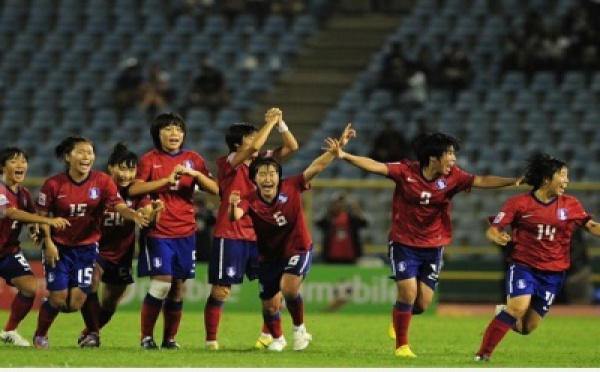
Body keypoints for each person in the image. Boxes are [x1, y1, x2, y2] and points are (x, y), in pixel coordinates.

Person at [332, 132, 522, 358]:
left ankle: (399, 316)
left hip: (433, 246)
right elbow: (375, 166)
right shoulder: (405, 172)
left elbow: (480, 180)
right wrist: (344, 155)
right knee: (408, 292)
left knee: (422, 304)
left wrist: (512, 181)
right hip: (403, 242)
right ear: (433, 157)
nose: (453, 159)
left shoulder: (454, 177)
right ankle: (402, 346)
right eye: (449, 154)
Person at [228, 124, 355, 352]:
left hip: (298, 248)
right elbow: (235, 216)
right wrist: (232, 206)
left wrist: (336, 150)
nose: (268, 178)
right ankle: (278, 338)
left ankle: (299, 330)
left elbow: (316, 167)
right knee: (269, 305)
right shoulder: (249, 199)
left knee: (288, 288)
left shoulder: (293, 186)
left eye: (272, 173)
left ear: (279, 176)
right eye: (262, 174)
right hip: (269, 256)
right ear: (254, 179)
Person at [474, 153, 600, 362]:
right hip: (524, 266)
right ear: (546, 179)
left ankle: (502, 314)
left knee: (526, 328)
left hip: (554, 272)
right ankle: (483, 355)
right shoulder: (518, 204)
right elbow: (493, 229)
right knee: (518, 308)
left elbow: (591, 226)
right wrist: (498, 237)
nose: (567, 181)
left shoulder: (571, 204)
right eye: (562, 175)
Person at [32, 136, 149, 349]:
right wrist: (47, 241)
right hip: (59, 247)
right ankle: (40, 335)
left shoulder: (102, 181)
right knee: (59, 301)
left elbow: (119, 205)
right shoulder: (53, 184)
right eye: (81, 152)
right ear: (68, 157)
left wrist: (133, 215)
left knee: (75, 303)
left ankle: (91, 332)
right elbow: (42, 215)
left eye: (90, 153)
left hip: (86, 248)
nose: (87, 157)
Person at [204, 107, 299, 351]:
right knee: (221, 290)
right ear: (238, 144)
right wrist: (268, 123)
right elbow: (253, 148)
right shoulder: (229, 163)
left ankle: (269, 335)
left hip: (260, 234)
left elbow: (291, 147)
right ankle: (211, 340)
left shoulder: (260, 164)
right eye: (251, 136)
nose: (256, 140)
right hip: (231, 233)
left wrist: (280, 124)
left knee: (272, 291)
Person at [128, 112, 218, 349]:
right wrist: (165, 181)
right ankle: (146, 337)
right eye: (168, 129)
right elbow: (134, 189)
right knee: (162, 282)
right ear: (158, 134)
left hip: (186, 232)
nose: (174, 133)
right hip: (158, 230)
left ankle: (169, 339)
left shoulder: (193, 158)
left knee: (178, 287)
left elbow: (216, 189)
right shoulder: (149, 159)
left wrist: (196, 175)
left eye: (178, 129)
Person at [76, 143, 165, 346]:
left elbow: (148, 217)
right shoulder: (98, 188)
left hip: (122, 254)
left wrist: (156, 210)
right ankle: (93, 335)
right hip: (96, 248)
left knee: (109, 303)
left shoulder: (138, 193)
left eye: (131, 169)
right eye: (122, 168)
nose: (127, 174)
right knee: (91, 282)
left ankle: (89, 331)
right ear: (110, 168)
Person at [0, 148, 70, 347]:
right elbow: (11, 214)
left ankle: (9, 331)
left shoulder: (23, 193)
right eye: (14, 161)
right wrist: (48, 220)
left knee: (30, 287)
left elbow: (29, 217)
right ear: (3, 166)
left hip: (8, 251)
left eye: (23, 161)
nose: (20, 165)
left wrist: (34, 229)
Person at [316, 191, 368, 264]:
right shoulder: (329, 218)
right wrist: (329, 211)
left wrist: (355, 207)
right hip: (331, 256)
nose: (340, 205)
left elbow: (364, 223)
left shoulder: (352, 218)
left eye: (342, 203)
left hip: (350, 255)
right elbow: (318, 223)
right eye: (337, 203)